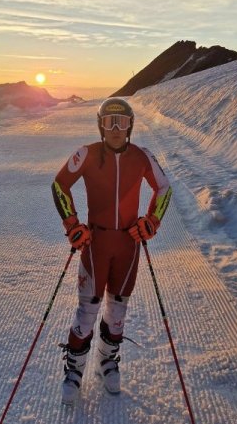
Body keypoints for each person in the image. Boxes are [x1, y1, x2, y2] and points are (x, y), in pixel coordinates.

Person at [51, 97, 172, 404]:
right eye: (109, 123)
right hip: (96, 244)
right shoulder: (87, 153)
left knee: (117, 312)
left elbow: (164, 188)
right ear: (100, 125)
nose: (116, 129)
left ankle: (108, 360)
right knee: (87, 311)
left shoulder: (142, 156)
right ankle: (74, 369)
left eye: (122, 123)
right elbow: (59, 185)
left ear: (130, 126)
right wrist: (73, 225)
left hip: (128, 245)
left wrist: (151, 222)